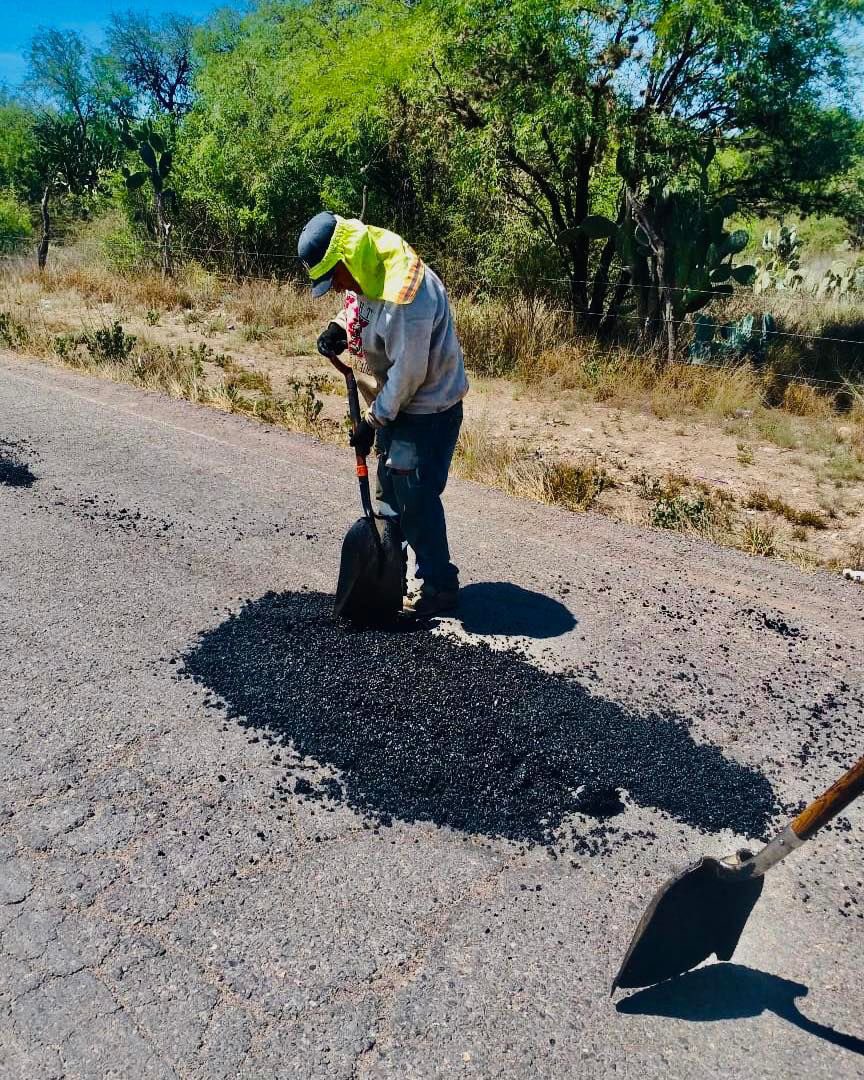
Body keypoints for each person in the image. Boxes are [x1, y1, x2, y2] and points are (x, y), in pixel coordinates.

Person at [298, 211, 468, 617]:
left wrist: (372, 421)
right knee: (389, 490)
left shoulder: (407, 295)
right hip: (396, 399)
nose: (336, 285)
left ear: (346, 260)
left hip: (428, 405)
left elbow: (409, 376)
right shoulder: (366, 261)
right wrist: (340, 325)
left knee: (415, 498)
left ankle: (438, 585)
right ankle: (391, 573)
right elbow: (360, 303)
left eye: (334, 277)